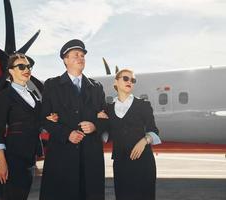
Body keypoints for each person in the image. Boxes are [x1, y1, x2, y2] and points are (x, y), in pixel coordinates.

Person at [39, 39, 106, 200]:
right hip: (62, 155)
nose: (81, 57)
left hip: (90, 156)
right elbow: (44, 118)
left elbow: (106, 118)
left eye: (83, 55)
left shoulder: (96, 87)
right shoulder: (52, 85)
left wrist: (95, 125)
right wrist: (67, 133)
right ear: (65, 59)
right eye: (76, 55)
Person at [98, 69, 161, 200]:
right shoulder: (108, 108)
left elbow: (154, 130)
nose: (130, 82)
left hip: (143, 161)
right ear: (116, 82)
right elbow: (107, 135)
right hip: (120, 163)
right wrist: (99, 122)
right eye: (126, 78)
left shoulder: (143, 105)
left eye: (133, 80)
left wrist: (144, 141)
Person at [0, 53, 42, 200]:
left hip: (30, 156)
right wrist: (2, 163)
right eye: (21, 66)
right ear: (11, 71)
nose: (27, 69)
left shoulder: (34, 95)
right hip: (13, 156)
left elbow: (39, 121)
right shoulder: (4, 95)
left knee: (22, 195)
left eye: (28, 66)